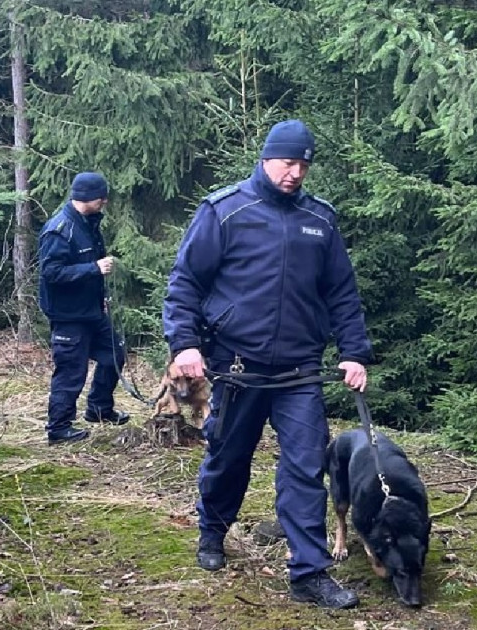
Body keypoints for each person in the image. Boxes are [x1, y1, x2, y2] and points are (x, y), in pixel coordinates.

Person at [163, 120, 374, 609]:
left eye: (303, 165)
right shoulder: (226, 210)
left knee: (306, 466)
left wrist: (354, 352)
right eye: (287, 162)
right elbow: (186, 282)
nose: (295, 172)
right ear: (265, 158)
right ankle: (213, 531)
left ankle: (309, 572)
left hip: (300, 370)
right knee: (228, 457)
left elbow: (342, 293)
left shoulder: (320, 219)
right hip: (238, 366)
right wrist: (185, 345)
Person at [38, 171, 131, 445]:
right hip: (68, 316)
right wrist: (94, 268)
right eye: (101, 197)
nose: (105, 201)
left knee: (114, 354)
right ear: (88, 197)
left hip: (92, 311)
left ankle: (99, 409)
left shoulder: (88, 224)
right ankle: (58, 429)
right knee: (71, 372)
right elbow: (51, 273)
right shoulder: (60, 229)